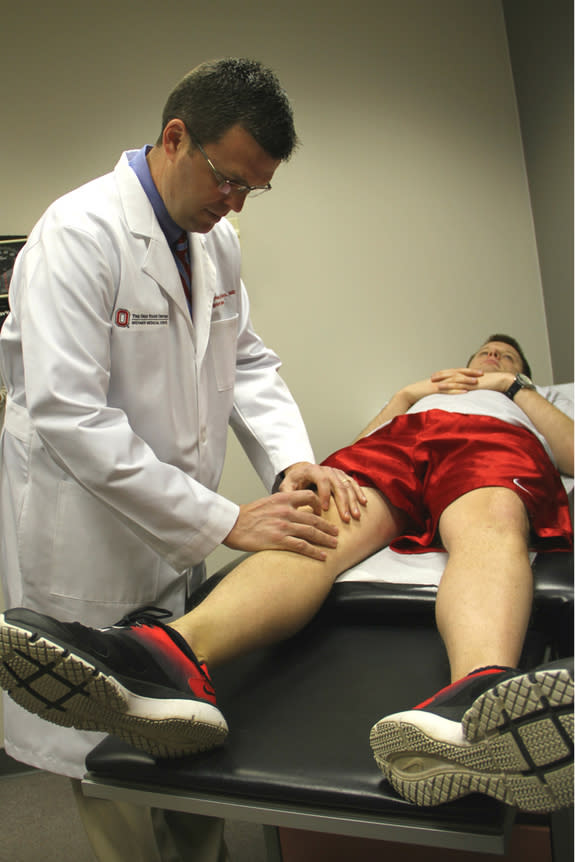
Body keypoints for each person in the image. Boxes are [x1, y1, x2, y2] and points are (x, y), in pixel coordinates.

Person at [0, 58, 365, 862]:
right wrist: (225, 518)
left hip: (170, 535)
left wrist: (288, 465)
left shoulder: (216, 240)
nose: (236, 203)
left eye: (252, 190)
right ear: (175, 138)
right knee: (110, 760)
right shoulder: (78, 233)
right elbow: (69, 412)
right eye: (228, 179)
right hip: (87, 538)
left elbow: (247, 363)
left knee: (190, 721)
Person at [1, 335, 573, 815]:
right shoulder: (422, 393)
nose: (493, 358)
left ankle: (474, 705)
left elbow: (569, 454)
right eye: (486, 353)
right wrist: (408, 395)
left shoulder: (521, 398)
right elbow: (360, 446)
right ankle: (172, 660)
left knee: (490, 518)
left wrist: (514, 390)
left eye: (507, 355)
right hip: (400, 443)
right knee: (316, 524)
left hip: (489, 444)